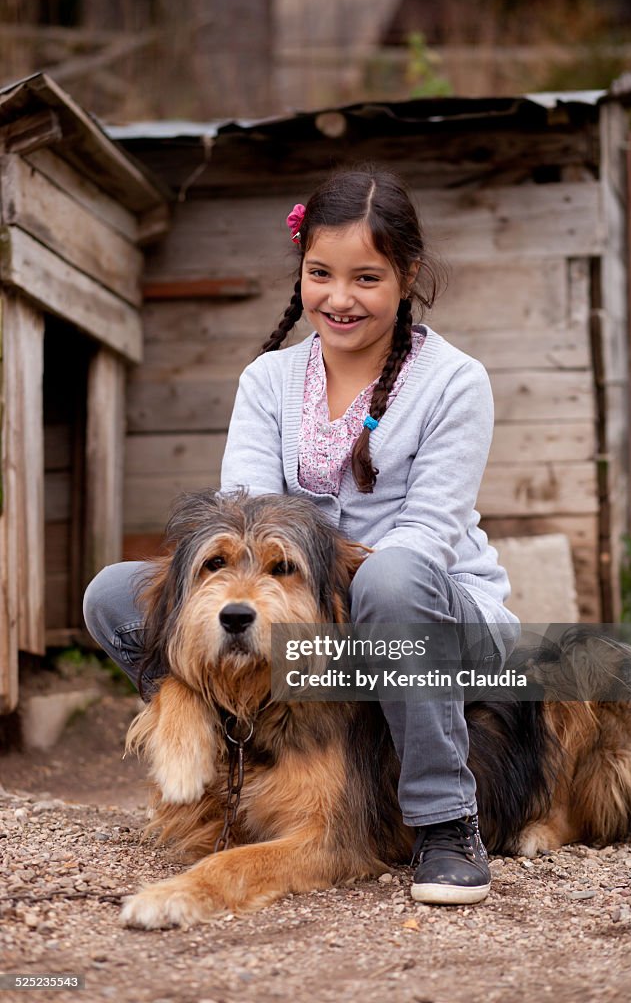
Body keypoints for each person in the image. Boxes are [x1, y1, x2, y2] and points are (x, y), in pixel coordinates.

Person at [84, 165, 520, 907]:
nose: (339, 298)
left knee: (389, 581)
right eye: (320, 273)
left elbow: (425, 537)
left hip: (425, 614)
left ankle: (445, 822)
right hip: (301, 608)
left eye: (366, 278)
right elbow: (241, 515)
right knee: (116, 595)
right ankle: (207, 732)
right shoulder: (268, 380)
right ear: (301, 272)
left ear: (407, 275)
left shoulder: (454, 381)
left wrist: (319, 598)